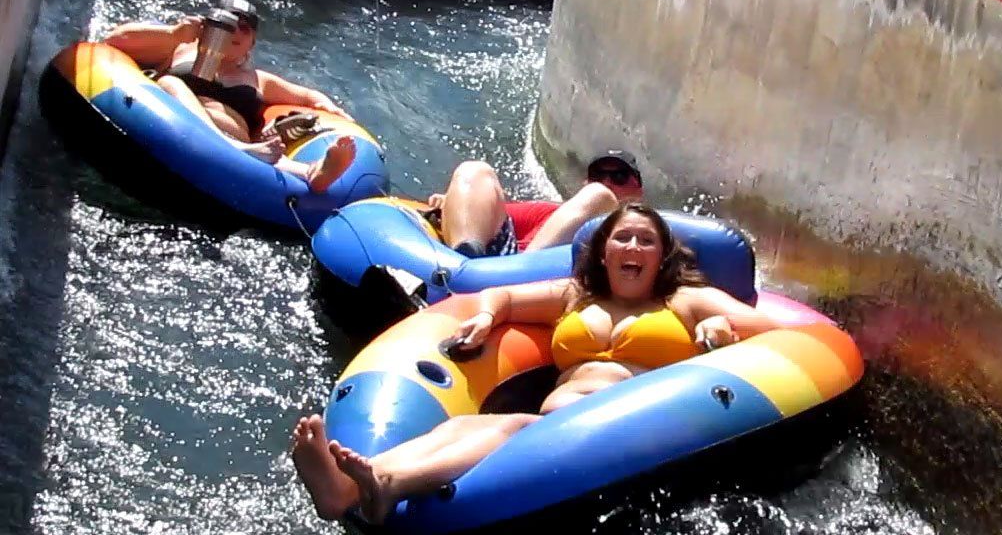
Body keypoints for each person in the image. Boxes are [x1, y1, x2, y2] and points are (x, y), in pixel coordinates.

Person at [290, 202, 781, 523]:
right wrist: (485, 319)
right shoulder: (575, 297)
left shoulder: (686, 302)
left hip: (629, 426)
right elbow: (502, 296)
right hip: (556, 421)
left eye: (646, 241)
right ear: (603, 253)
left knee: (511, 430)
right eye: (622, 238)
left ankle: (386, 482)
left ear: (662, 257)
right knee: (461, 425)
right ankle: (347, 489)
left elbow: (771, 331)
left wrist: (721, 330)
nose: (633, 247)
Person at [101, 0, 356, 193]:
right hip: (177, 124)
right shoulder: (179, 49)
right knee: (170, 82)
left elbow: (308, 96)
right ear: (209, 26)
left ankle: (312, 171)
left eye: (245, 28)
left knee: (254, 152)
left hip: (237, 140)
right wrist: (174, 33)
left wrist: (331, 108)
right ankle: (245, 151)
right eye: (228, 24)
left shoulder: (259, 80)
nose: (236, 32)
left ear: (252, 42)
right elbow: (114, 41)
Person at [422, 150, 646, 259]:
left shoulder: (647, 239)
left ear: (639, 192)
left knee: (601, 196)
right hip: (492, 263)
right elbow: (486, 213)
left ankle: (521, 271)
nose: (607, 182)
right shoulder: (550, 213)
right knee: (475, 170)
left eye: (619, 177)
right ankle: (462, 264)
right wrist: (454, 202)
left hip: (542, 280)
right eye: (598, 176)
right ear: (584, 184)